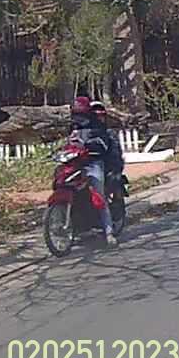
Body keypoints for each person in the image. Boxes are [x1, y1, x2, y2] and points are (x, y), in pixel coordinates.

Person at [69, 97, 118, 247]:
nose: (78, 117)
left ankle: (109, 232)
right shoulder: (72, 125)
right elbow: (68, 142)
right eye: (75, 113)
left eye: (80, 113)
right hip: (75, 162)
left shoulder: (97, 125)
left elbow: (103, 144)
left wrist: (89, 146)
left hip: (93, 163)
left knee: (98, 194)